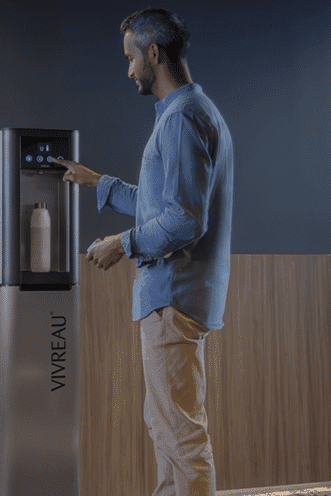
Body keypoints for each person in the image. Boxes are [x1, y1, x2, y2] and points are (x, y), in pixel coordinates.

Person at [54, 8, 233, 496]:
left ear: (154, 54)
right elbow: (165, 204)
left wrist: (123, 244)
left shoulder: (180, 120)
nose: (128, 69)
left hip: (172, 298)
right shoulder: (195, 112)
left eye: (131, 57)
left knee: (180, 434)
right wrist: (99, 183)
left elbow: (183, 221)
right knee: (166, 428)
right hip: (174, 297)